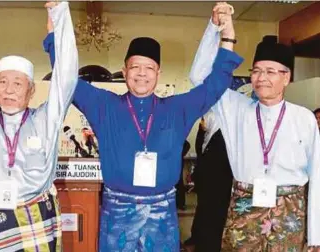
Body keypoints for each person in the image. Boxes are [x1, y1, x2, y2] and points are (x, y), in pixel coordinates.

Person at [44, 2, 241, 250]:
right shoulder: (103, 105)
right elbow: (66, 78)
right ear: (124, 71)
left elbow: (215, 84)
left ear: (158, 73)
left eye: (149, 68)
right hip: (116, 215)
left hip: (162, 218)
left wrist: (227, 35)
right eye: (135, 67)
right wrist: (55, 31)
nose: (141, 73)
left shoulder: (177, 108)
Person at [190, 31, 320, 252]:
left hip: (289, 212)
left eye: (270, 72)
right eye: (257, 71)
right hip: (244, 208)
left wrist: (316, 236)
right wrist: (217, 31)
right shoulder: (235, 107)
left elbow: (317, 176)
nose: (261, 78)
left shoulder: (304, 117)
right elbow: (199, 76)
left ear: (286, 77)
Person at [0, 2, 78, 251]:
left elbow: (67, 77)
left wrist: (59, 18)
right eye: (3, 82)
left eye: (17, 84)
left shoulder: (44, 120)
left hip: (34, 220)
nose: (8, 90)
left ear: (31, 90)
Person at [184, 112, 233, 252]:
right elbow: (199, 149)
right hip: (205, 181)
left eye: (205, 119)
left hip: (219, 183)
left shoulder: (224, 133)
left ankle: (208, 245)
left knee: (213, 216)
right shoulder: (208, 134)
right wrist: (201, 130)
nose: (203, 122)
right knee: (203, 211)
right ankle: (198, 239)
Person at [176, 140, 190, 211]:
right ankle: (177, 203)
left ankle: (181, 204)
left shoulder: (177, 135)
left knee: (179, 183)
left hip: (177, 162)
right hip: (172, 162)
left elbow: (187, 145)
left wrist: (180, 154)